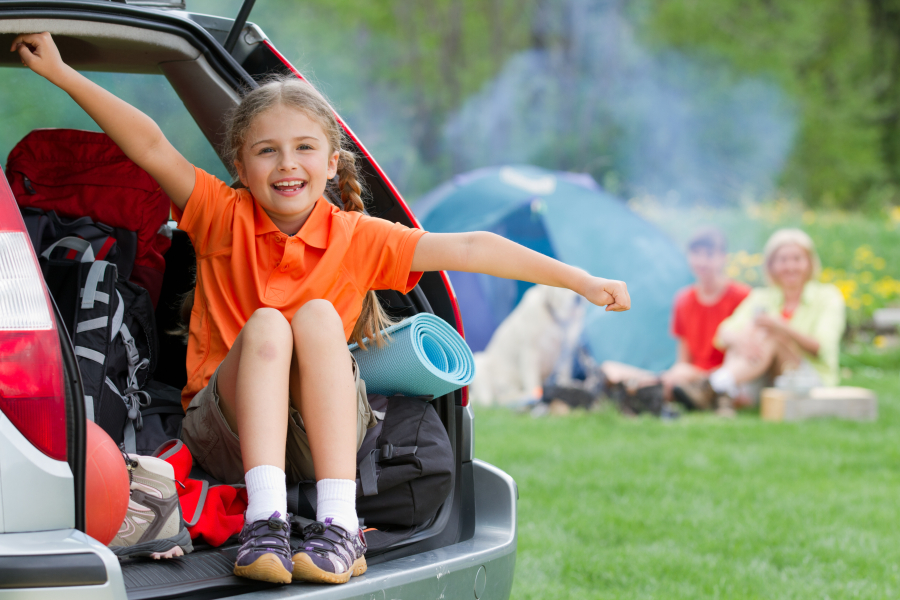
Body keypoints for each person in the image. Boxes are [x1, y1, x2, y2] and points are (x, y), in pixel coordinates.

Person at [13, 32, 630, 586]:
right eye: (267, 151)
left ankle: (339, 526)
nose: (287, 164)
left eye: (305, 147)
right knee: (268, 325)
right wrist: (62, 72)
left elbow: (471, 246)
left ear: (331, 163)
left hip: (321, 433)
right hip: (225, 431)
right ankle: (266, 522)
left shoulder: (359, 236)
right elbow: (150, 144)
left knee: (312, 318)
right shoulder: (219, 215)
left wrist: (577, 279)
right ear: (240, 166)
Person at [695, 228, 845, 414]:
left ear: (809, 263)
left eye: (797, 259)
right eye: (782, 260)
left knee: (771, 334)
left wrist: (781, 326)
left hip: (810, 379)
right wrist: (741, 341)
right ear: (771, 265)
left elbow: (820, 348)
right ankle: (723, 388)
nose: (790, 267)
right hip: (765, 375)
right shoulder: (762, 296)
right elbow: (724, 332)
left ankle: (716, 385)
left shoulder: (827, 297)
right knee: (746, 332)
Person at [601, 227, 749, 409]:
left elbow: (744, 359)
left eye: (709, 255)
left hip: (719, 379)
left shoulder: (742, 297)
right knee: (610, 369)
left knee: (679, 374)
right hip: (684, 378)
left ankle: (638, 392)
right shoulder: (684, 300)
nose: (702, 261)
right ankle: (642, 389)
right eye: (696, 254)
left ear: (723, 257)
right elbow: (683, 359)